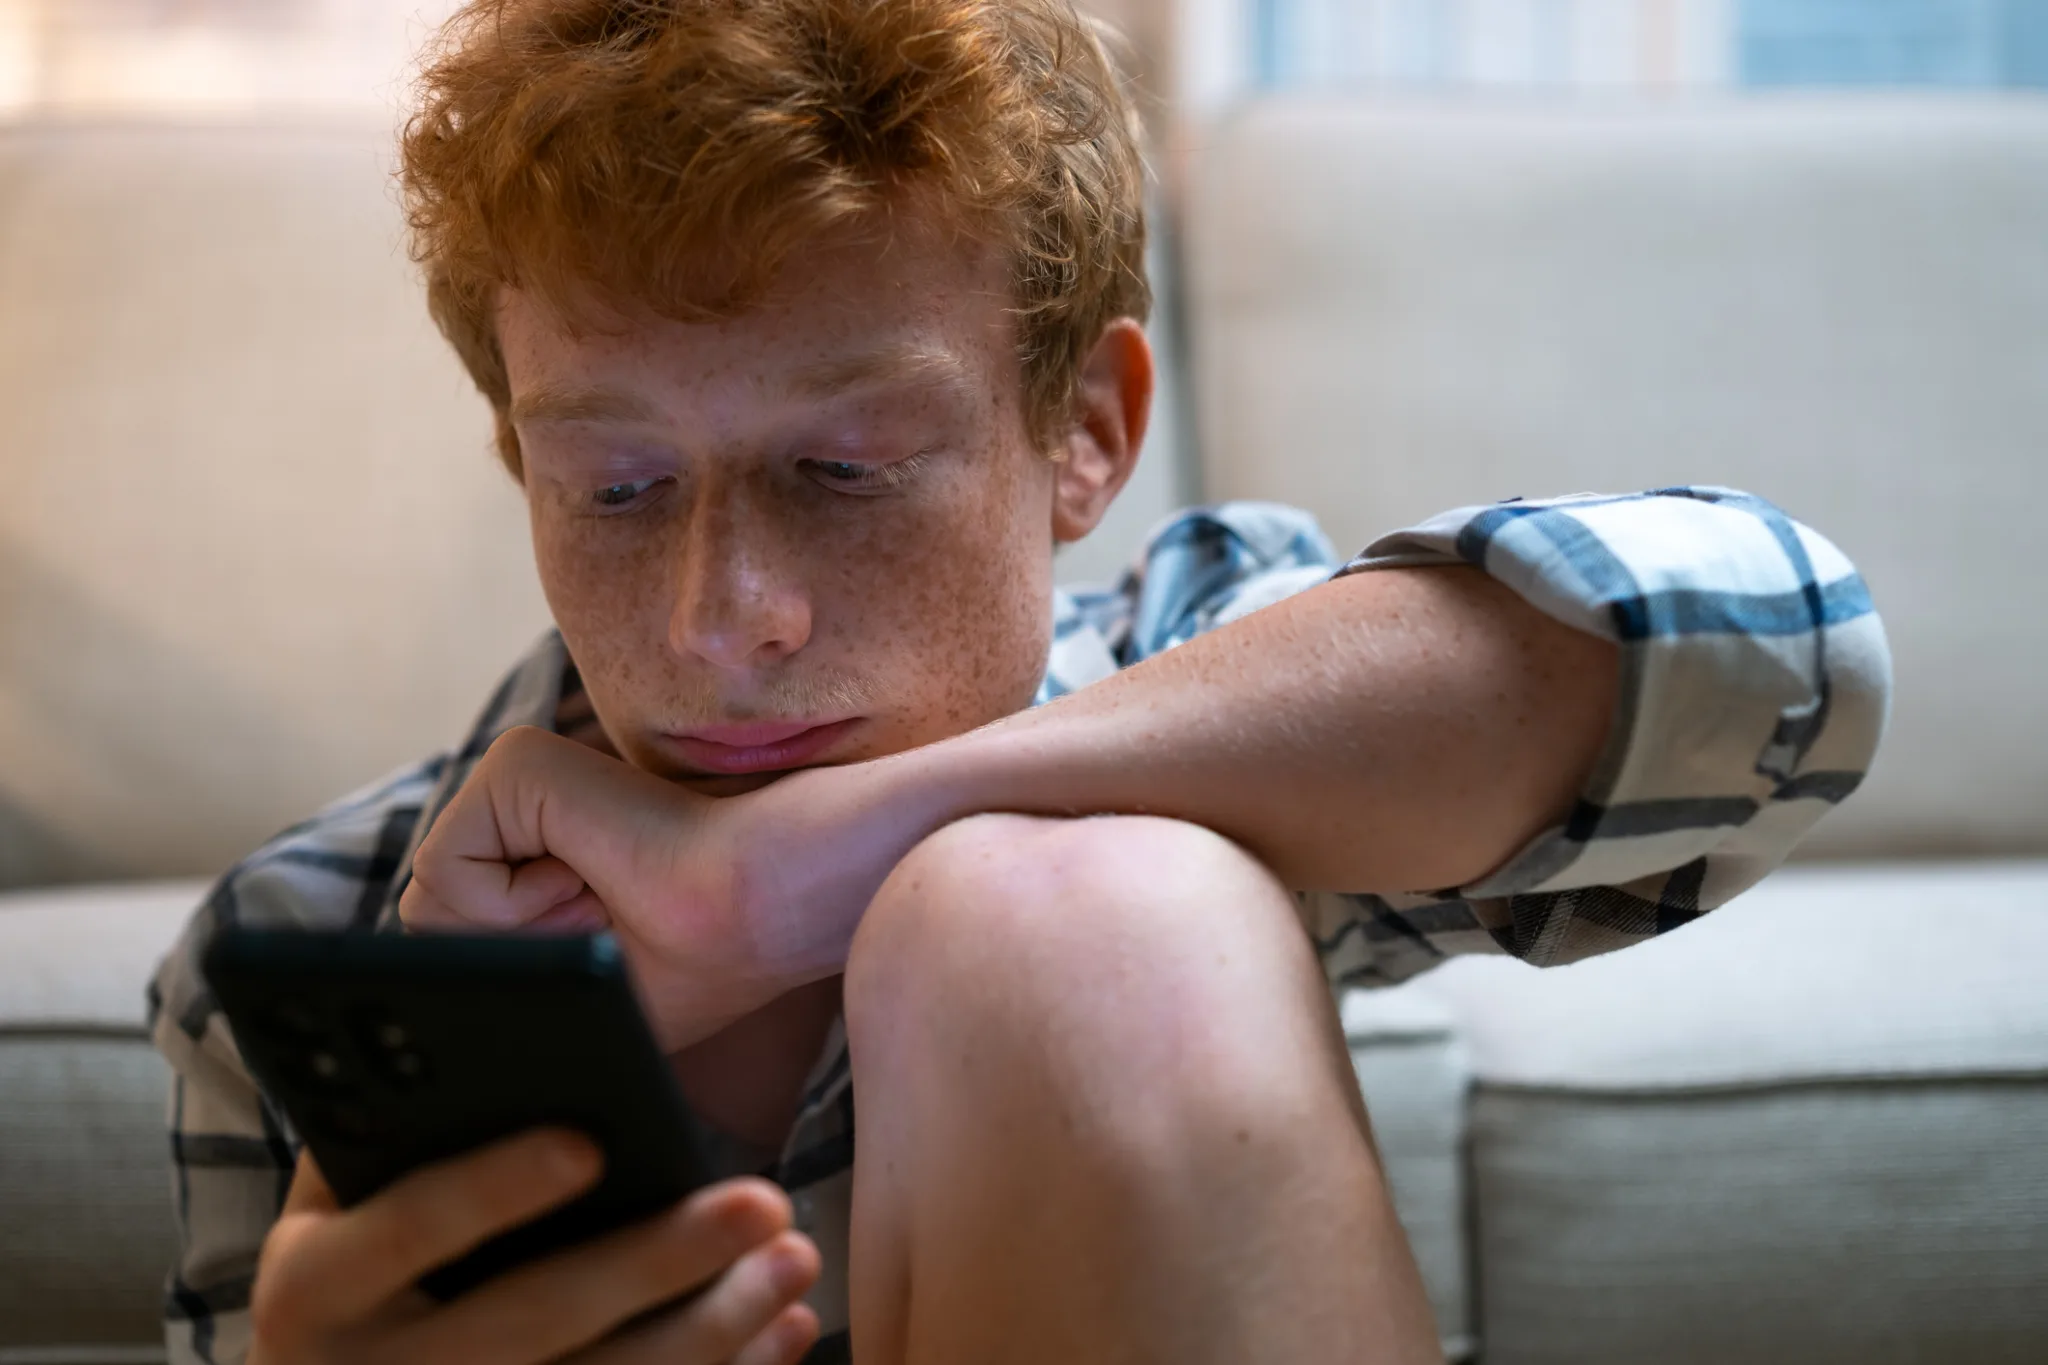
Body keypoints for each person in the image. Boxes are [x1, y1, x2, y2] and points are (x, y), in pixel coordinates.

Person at [147, 0, 1891, 1361]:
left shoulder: (1194, 690)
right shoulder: (310, 944)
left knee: (1064, 899)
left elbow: (1776, 642)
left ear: (1087, 433)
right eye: (615, 486)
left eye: (847, 468)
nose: (724, 620)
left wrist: (808, 866)